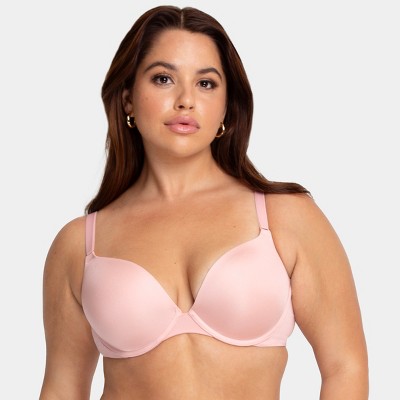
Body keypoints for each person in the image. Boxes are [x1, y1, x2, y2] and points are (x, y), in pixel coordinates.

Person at [39, 5, 368, 399]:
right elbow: (62, 389)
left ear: (227, 105)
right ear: (128, 99)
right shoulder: (79, 244)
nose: (185, 100)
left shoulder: (286, 217)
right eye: (163, 79)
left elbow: (345, 367)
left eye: (206, 83)